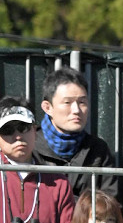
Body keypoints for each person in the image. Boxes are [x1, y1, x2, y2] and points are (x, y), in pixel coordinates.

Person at [34, 67, 117, 199]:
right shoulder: (30, 147)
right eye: (67, 102)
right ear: (47, 107)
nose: (76, 110)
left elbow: (109, 204)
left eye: (82, 102)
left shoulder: (98, 150)